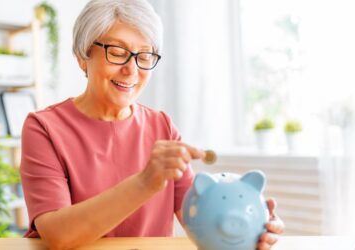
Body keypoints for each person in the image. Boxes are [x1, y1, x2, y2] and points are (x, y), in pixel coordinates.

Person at [20, 0, 284, 249]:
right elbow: (57, 236)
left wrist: (253, 227)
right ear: (82, 56)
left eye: (145, 55)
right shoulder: (44, 128)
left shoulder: (162, 126)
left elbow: (199, 218)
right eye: (118, 52)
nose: (132, 69)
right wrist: (145, 182)